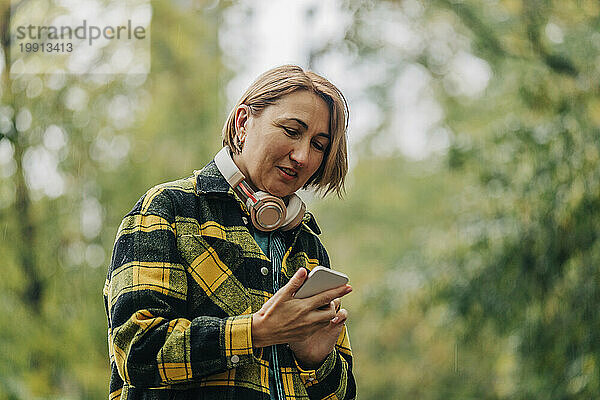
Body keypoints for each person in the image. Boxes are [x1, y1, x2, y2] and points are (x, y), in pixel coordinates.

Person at [103, 65, 356, 400]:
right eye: (292, 131)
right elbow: (136, 352)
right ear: (242, 124)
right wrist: (256, 332)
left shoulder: (308, 247)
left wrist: (316, 359)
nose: (302, 156)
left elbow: (341, 394)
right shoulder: (168, 210)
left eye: (319, 145)